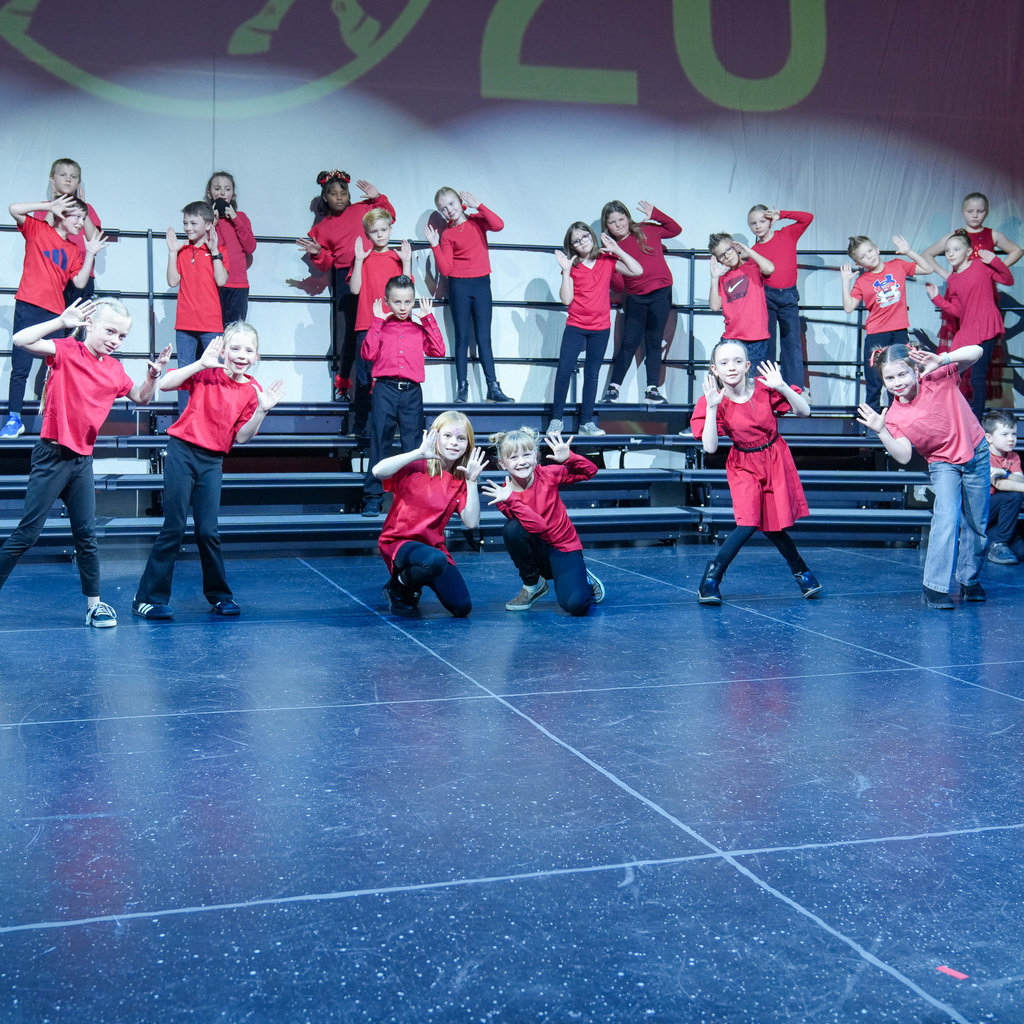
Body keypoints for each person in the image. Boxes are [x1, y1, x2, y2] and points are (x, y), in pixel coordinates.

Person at [0, 299, 171, 626]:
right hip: (52, 456)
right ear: (89, 325)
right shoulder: (65, 350)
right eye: (109, 331)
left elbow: (141, 397)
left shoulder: (114, 369)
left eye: (121, 336)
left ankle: (94, 605)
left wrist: (152, 376)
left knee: (87, 536)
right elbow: (21, 340)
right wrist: (61, 320)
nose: (114, 340)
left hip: (82, 460)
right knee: (27, 535)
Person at [132, 324, 284, 620]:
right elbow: (166, 384)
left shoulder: (253, 390)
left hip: (213, 461)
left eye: (248, 350)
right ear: (224, 350)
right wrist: (200, 363)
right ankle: (147, 598)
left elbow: (241, 437)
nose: (241, 355)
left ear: (256, 356)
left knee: (207, 531)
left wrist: (262, 411)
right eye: (235, 348)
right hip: (182, 453)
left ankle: (219, 596)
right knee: (174, 527)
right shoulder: (207, 371)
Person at [856, 343, 988, 609]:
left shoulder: (937, 375)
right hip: (942, 463)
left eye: (902, 374)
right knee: (947, 517)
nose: (897, 382)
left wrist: (943, 359)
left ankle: (969, 580)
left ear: (915, 370)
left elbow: (977, 352)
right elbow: (904, 456)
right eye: (889, 378)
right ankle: (935, 587)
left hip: (976, 452)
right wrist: (882, 431)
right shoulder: (894, 416)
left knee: (978, 525)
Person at [690, 341, 820, 605]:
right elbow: (710, 447)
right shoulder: (712, 400)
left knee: (772, 524)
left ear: (747, 365)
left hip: (774, 458)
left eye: (738, 361)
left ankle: (801, 571)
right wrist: (713, 407)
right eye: (724, 363)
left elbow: (804, 411)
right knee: (749, 521)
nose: (732, 367)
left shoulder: (764, 387)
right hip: (743, 463)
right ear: (715, 369)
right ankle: (711, 579)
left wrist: (782, 386)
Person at [3, 194, 108, 437]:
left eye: (84, 218)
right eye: (78, 217)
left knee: (57, 368)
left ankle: (54, 419)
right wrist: (48, 206)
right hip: (29, 305)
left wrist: (90, 253)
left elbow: (80, 282)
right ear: (62, 215)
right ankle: (14, 419)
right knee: (21, 366)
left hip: (57, 313)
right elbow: (14, 208)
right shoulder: (38, 230)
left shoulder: (73, 250)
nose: (82, 222)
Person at [373, 410, 487, 616]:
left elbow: (471, 523)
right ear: (435, 437)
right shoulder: (416, 466)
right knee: (434, 561)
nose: (454, 443)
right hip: (399, 542)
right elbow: (378, 471)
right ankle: (399, 585)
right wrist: (417, 453)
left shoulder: (460, 480)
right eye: (448, 436)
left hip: (433, 550)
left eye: (461, 438)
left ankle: (412, 579)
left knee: (462, 607)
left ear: (468, 445)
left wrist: (472, 482)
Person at [296, 170, 395, 407]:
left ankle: (382, 380)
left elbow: (388, 217)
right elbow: (327, 263)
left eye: (343, 192)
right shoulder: (322, 228)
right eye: (333, 193)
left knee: (382, 325)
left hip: (373, 271)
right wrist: (318, 253)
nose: (339, 197)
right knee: (350, 333)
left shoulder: (362, 210)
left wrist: (377, 197)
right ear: (325, 197)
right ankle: (343, 384)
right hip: (345, 278)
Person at [481, 426, 604, 616]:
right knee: (512, 529)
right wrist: (511, 499)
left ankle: (581, 576)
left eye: (527, 455)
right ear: (503, 464)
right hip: (539, 551)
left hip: (564, 548)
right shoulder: (504, 495)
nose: (521, 462)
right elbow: (537, 526)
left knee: (577, 605)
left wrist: (570, 458)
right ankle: (533, 585)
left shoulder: (547, 474)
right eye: (513, 457)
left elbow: (591, 471)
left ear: (536, 457)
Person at [360, 278, 445, 517]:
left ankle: (415, 497)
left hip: (411, 392)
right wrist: (376, 321)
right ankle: (373, 498)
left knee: (414, 447)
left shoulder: (418, 329)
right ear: (387, 302)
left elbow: (439, 350)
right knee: (379, 443)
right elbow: (367, 353)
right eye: (397, 302)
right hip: (384, 390)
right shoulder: (382, 326)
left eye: (408, 302)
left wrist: (428, 317)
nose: (403, 307)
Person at [549, 223, 641, 437]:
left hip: (600, 328)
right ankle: (556, 419)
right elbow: (566, 299)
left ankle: (586, 423)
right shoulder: (573, 265)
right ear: (571, 246)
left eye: (585, 236)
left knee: (592, 375)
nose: (582, 242)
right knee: (564, 371)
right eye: (576, 240)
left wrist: (617, 250)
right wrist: (566, 271)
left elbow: (637, 270)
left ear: (592, 236)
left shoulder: (607, 260)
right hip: (576, 325)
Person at [425, 188, 512, 404]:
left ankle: (493, 387)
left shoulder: (477, 221)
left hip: (482, 283)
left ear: (460, 201)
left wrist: (479, 205)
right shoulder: (447, 235)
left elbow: (499, 225)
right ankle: (462, 389)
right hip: (459, 287)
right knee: (462, 338)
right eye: (443, 208)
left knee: (484, 338)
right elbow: (445, 269)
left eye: (452, 204)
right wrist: (435, 245)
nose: (449, 210)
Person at [925, 231, 1014, 421]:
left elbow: (1008, 280)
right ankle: (947, 416)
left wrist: (995, 260)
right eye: (947, 250)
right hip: (967, 331)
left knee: (977, 377)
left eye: (956, 249)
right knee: (949, 374)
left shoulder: (981, 265)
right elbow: (957, 311)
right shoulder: (953, 280)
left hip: (987, 327)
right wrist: (937, 299)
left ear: (969, 251)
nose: (950, 254)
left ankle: (976, 420)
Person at [600, 199, 681, 405]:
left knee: (654, 341)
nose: (618, 224)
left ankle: (652, 389)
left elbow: (675, 229)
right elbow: (618, 285)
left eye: (621, 218)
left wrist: (656, 213)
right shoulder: (611, 248)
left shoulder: (647, 229)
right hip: (636, 297)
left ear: (628, 218)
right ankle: (613, 388)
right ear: (606, 226)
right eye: (612, 222)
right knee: (629, 343)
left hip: (661, 293)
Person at [840, 234, 931, 413]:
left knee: (900, 377)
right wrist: (845, 282)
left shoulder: (897, 265)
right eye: (864, 256)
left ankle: (897, 418)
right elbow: (849, 307)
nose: (870, 256)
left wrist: (909, 251)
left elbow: (927, 269)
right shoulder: (862, 281)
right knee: (874, 381)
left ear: (877, 248)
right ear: (859, 264)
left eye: (870, 251)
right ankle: (872, 424)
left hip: (899, 332)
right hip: (876, 335)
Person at [349, 207, 411, 438]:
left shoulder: (396, 257)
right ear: (368, 234)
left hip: (393, 326)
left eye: (384, 230)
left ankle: (392, 425)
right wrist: (358, 260)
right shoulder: (364, 259)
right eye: (375, 231)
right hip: (367, 325)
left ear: (390, 229)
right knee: (364, 379)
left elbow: (407, 289)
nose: (380, 235)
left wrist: (405, 262)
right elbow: (355, 289)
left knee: (391, 379)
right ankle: (359, 425)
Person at [166, 200, 229, 414]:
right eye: (185, 223)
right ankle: (185, 418)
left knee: (215, 372)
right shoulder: (182, 251)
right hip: (184, 323)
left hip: (211, 323)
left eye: (193, 223)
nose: (188, 228)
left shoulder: (218, 252)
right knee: (184, 373)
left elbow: (221, 281)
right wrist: (172, 252)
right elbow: (173, 281)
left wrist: (215, 253)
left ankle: (215, 415)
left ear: (209, 225)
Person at [749, 204, 814, 388]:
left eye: (762, 221)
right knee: (767, 345)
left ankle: (795, 389)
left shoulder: (786, 234)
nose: (758, 226)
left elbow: (808, 217)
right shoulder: (755, 250)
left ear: (770, 220)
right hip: (766, 298)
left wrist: (782, 214)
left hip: (788, 297)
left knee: (792, 345)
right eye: (753, 223)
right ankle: (767, 389)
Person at [707, 233, 774, 369]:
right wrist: (714, 278)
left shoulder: (752, 267)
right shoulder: (723, 278)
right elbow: (714, 306)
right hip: (732, 337)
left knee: (753, 383)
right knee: (726, 381)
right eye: (721, 255)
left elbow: (770, 268)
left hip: (757, 338)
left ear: (735, 247)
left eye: (728, 250)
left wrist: (749, 251)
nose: (727, 256)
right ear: (719, 260)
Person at [206, 171, 257, 324]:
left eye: (227, 189)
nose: (222, 192)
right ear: (209, 194)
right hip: (213, 284)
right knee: (213, 331)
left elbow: (250, 247)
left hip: (238, 284)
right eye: (217, 188)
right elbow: (203, 249)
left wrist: (235, 219)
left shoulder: (241, 217)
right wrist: (212, 225)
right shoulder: (206, 220)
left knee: (235, 332)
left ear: (233, 195)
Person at [981, 409, 1024, 565]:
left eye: (1013, 434)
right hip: (982, 509)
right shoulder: (983, 455)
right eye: (1005, 434)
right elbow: (999, 484)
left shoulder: (1013, 456)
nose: (1011, 439)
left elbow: (1019, 478)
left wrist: (1004, 472)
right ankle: (998, 543)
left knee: (1020, 553)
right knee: (1014, 496)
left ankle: (993, 542)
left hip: (999, 516)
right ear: (989, 438)